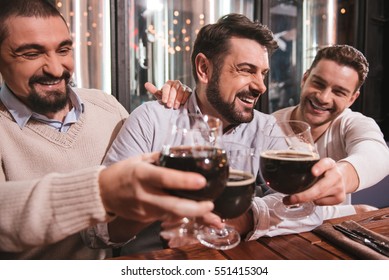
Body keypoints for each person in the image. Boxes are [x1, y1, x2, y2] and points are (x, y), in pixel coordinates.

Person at [102, 13, 339, 253]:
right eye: (246, 70)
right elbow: (99, 228)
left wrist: (241, 220)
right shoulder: (152, 120)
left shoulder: (265, 127)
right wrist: (159, 204)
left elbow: (309, 208)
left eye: (263, 73)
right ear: (204, 68)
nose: (261, 86)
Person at [0, 0, 217, 259]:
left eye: (63, 50)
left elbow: (119, 223)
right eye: (32, 54)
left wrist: (182, 105)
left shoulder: (105, 104)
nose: (56, 68)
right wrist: (101, 191)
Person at [272, 45, 389, 212]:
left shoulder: (351, 123)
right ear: (304, 79)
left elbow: (377, 154)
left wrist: (341, 176)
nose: (324, 97)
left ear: (351, 99)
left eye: (339, 92)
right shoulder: (271, 124)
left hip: (330, 231)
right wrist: (356, 210)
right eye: (318, 84)